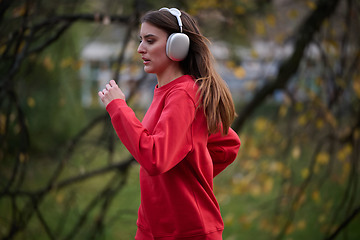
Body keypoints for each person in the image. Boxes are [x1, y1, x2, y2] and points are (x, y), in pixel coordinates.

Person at [98, 7, 241, 240]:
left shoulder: (184, 94)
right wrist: (184, 173)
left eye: (150, 40)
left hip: (189, 231)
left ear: (178, 45)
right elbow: (226, 144)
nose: (140, 48)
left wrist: (118, 107)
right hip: (152, 228)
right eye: (140, 40)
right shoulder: (166, 93)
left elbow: (155, 158)